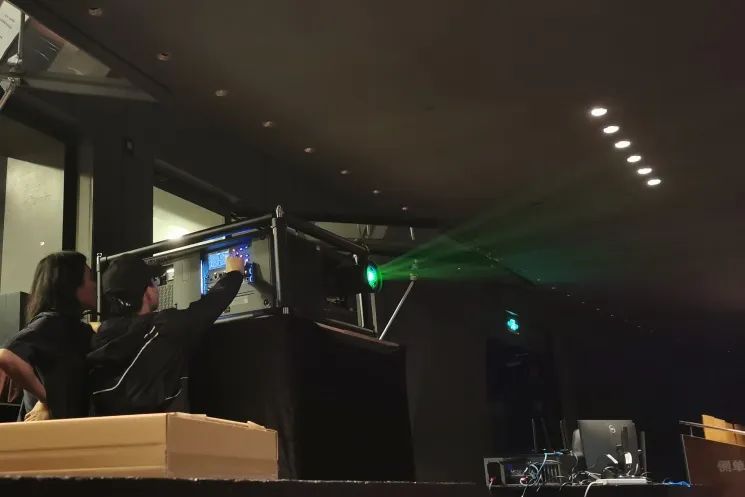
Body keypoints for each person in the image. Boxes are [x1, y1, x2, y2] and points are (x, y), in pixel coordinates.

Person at [87, 253, 244, 415]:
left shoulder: (98, 337)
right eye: (153, 282)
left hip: (112, 429)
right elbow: (207, 308)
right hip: (162, 428)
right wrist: (235, 273)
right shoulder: (163, 327)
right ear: (147, 293)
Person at [0, 251, 97, 420]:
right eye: (90, 278)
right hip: (48, 432)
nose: (94, 285)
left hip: (66, 429)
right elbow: (7, 356)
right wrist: (46, 399)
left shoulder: (75, 328)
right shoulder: (52, 323)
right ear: (71, 285)